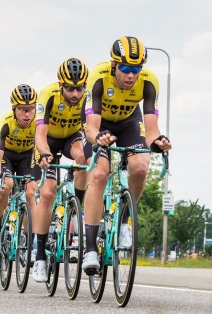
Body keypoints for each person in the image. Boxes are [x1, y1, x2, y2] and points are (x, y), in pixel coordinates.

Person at [82, 36, 172, 274]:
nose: (131, 75)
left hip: (129, 122)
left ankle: (124, 222)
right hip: (99, 123)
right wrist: (98, 138)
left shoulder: (149, 81)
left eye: (136, 69)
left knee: (141, 166)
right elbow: (91, 128)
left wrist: (159, 142)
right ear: (114, 65)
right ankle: (90, 248)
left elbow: (151, 129)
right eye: (125, 69)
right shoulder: (99, 76)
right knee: (100, 174)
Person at [32, 57, 93, 281]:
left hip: (71, 137)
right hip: (47, 141)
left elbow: (90, 129)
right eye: (69, 88)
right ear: (61, 85)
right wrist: (45, 154)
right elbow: (39, 134)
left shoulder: (86, 98)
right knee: (48, 192)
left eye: (79, 88)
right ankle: (39, 256)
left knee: (83, 159)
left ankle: (77, 208)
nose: (75, 94)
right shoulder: (47, 95)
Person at [0, 85, 37, 261]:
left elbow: (40, 150)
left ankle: (31, 242)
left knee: (31, 192)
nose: (27, 114)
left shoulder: (37, 122)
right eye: (22, 110)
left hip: (26, 157)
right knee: (6, 185)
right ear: (14, 109)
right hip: (7, 156)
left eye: (30, 109)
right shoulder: (5, 123)